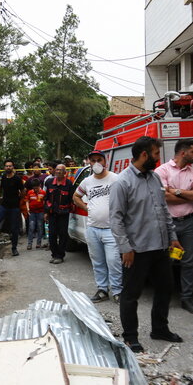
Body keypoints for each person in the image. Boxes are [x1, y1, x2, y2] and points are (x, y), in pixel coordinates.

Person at [109, 136, 184, 353]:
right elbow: (116, 219)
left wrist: (172, 236)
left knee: (165, 289)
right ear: (144, 155)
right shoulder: (122, 182)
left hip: (160, 248)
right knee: (131, 295)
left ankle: (159, 329)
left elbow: (163, 210)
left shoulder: (155, 179)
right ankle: (131, 337)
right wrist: (125, 248)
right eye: (156, 154)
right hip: (136, 251)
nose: (159, 158)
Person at [154, 140, 193, 314]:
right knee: (168, 262)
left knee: (188, 262)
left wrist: (176, 191)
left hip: (189, 224)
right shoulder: (162, 171)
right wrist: (190, 195)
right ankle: (164, 296)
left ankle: (186, 298)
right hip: (170, 225)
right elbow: (164, 198)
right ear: (183, 153)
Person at [73, 150, 122, 303]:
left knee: (113, 261)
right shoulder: (87, 181)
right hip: (93, 228)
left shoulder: (115, 178)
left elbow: (126, 198)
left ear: (105, 161)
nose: (96, 163)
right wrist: (87, 208)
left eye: (99, 160)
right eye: (92, 160)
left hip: (111, 229)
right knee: (97, 261)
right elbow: (76, 196)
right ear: (89, 162)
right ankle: (102, 290)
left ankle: (117, 290)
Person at [44, 164, 74, 264]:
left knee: (62, 235)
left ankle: (60, 256)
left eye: (61, 170)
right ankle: (54, 254)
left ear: (65, 172)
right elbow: (46, 198)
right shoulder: (49, 182)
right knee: (52, 234)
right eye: (57, 170)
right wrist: (46, 212)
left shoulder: (69, 184)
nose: (58, 171)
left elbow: (71, 199)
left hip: (64, 214)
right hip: (52, 213)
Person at [25, 178, 45, 250]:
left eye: (37, 188)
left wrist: (45, 212)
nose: (35, 189)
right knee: (31, 227)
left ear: (39, 186)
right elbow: (27, 201)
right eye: (34, 188)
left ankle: (38, 243)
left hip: (40, 212)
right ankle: (29, 244)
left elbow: (44, 202)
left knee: (40, 227)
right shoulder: (30, 192)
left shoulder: (43, 193)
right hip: (32, 213)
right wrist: (27, 208)